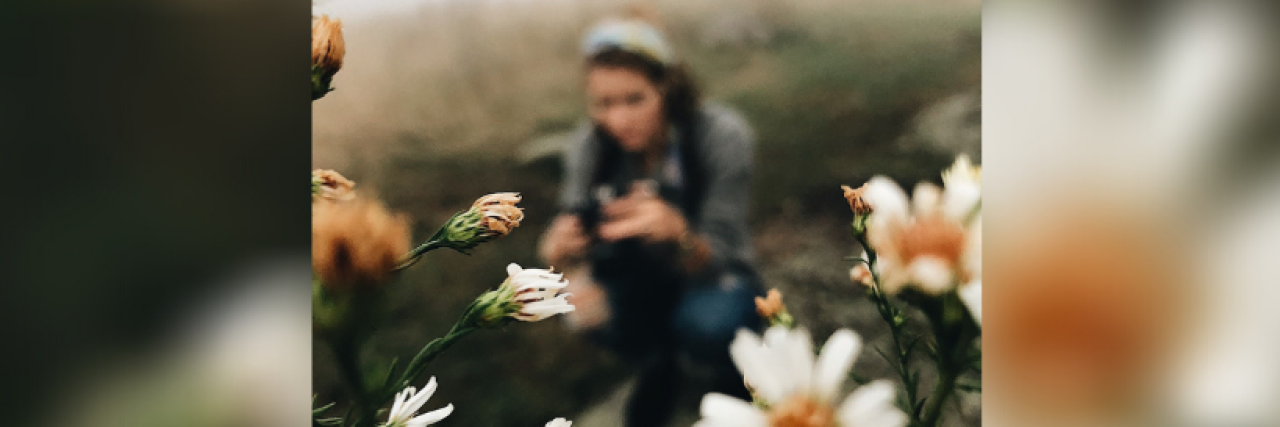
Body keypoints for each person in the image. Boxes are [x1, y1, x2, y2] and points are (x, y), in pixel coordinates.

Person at [538, 17, 763, 427]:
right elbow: (569, 227)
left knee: (707, 323)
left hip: (711, 276)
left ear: (668, 89)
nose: (618, 120)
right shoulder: (589, 148)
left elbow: (724, 250)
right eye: (603, 104)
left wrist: (678, 234)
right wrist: (560, 253)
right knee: (576, 304)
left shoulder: (720, 136)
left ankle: (735, 371)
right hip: (636, 278)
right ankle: (657, 363)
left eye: (634, 99)